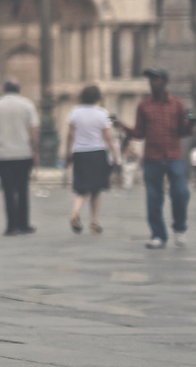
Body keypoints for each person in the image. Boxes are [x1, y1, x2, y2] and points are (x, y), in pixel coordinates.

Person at [114, 68, 193, 249]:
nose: (152, 83)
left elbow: (183, 131)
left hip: (174, 156)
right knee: (153, 197)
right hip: (152, 158)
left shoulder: (176, 104)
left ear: (165, 82)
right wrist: (122, 126)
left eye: (156, 79)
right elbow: (139, 133)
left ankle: (179, 228)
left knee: (181, 193)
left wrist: (192, 123)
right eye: (150, 80)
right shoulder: (144, 106)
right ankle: (158, 235)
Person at [0, 79, 39, 236]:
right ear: (18, 89)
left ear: (4, 89)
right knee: (23, 189)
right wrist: (35, 152)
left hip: (3, 154)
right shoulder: (28, 105)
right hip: (23, 153)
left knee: (8, 191)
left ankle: (11, 226)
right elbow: (34, 131)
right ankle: (24, 224)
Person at [65, 85, 116, 235]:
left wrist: (67, 152)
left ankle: (75, 212)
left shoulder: (75, 112)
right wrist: (114, 155)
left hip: (80, 153)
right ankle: (94, 222)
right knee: (96, 189)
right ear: (97, 97)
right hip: (97, 153)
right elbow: (108, 137)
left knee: (81, 188)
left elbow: (69, 135)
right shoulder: (101, 113)